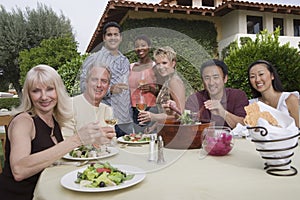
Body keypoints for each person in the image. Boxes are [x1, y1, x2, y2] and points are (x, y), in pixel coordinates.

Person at [0, 65, 115, 200]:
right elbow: (19, 170)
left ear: (58, 91)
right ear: (28, 95)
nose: (44, 97)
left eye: (50, 89)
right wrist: (77, 139)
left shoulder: (54, 119)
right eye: (36, 91)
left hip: (49, 189)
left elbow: (52, 156)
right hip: (22, 195)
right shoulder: (24, 121)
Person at [81, 21, 133, 137]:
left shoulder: (125, 60)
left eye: (116, 34)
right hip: (104, 119)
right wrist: (109, 89)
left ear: (120, 38)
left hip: (126, 120)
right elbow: (84, 87)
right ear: (104, 38)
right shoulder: (93, 59)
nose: (113, 38)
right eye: (109, 35)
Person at [63, 55, 116, 140]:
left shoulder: (107, 110)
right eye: (94, 79)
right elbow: (64, 143)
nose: (99, 85)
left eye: (104, 81)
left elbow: (111, 141)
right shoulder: (70, 106)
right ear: (86, 82)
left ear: (108, 85)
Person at [185, 59, 249, 128]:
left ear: (225, 79)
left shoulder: (238, 96)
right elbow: (187, 125)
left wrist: (223, 112)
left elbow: (245, 124)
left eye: (216, 77)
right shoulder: (194, 99)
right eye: (207, 78)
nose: (211, 83)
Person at [138, 46, 186, 131]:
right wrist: (153, 128)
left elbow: (181, 114)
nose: (160, 67)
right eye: (158, 63)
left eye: (164, 63)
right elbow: (167, 113)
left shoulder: (174, 82)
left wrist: (153, 116)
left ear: (173, 63)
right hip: (165, 130)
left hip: (175, 132)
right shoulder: (168, 80)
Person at [248, 59, 299, 128]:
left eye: (261, 74)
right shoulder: (252, 104)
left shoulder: (289, 99)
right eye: (252, 77)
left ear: (272, 76)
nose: (257, 80)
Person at [128, 34, 159, 132]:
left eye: (143, 45)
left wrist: (151, 89)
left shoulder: (156, 66)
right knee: (138, 138)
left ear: (149, 47)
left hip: (151, 108)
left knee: (151, 137)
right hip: (134, 109)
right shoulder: (131, 67)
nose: (140, 48)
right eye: (137, 46)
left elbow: (164, 91)